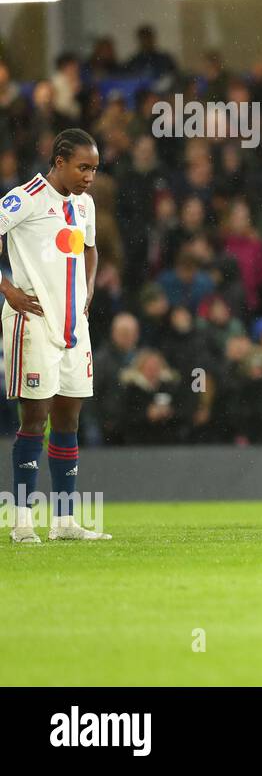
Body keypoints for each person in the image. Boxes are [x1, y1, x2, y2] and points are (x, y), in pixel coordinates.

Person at [1, 129, 110, 542]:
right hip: (33, 322)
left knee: (69, 419)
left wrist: (90, 289)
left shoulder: (85, 205)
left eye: (94, 169)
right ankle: (22, 521)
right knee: (35, 418)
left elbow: (91, 249)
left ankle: (64, 520)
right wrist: (8, 289)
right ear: (60, 160)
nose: (89, 177)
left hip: (73, 326)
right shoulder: (25, 197)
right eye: (83, 167)